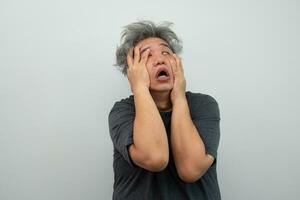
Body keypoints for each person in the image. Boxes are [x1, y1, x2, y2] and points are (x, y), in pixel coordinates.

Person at [108, 20, 221, 200]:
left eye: (166, 52)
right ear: (132, 71)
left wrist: (179, 97)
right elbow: (155, 157)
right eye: (146, 55)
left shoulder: (203, 105)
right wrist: (139, 88)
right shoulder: (122, 111)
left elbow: (190, 169)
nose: (160, 59)